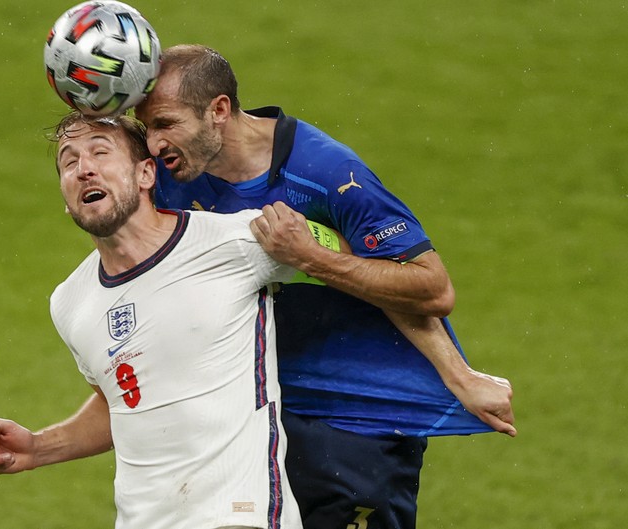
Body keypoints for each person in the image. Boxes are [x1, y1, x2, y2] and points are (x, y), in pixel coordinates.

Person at [133, 44, 516, 529]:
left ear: (220, 110)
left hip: (357, 421)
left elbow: (431, 289)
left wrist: (310, 257)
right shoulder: (168, 179)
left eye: (165, 124)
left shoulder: (326, 172)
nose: (152, 143)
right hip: (256, 418)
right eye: (145, 127)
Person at [0, 111, 303, 529]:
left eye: (100, 153)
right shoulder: (71, 302)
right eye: (68, 162)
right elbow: (125, 399)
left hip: (238, 514)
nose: (84, 169)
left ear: (146, 174)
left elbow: (348, 254)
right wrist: (39, 447)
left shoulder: (234, 242)